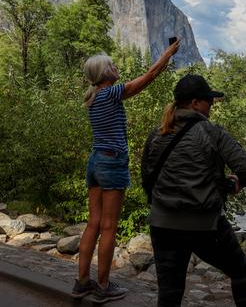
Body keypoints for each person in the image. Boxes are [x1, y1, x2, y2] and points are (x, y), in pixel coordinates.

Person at [72, 41, 181, 303]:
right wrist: (168, 53)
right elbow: (150, 76)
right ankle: (103, 285)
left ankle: (82, 282)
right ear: (103, 74)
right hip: (112, 163)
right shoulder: (110, 94)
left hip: (95, 161)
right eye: (111, 65)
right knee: (109, 227)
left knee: (93, 224)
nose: (116, 66)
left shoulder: (93, 97)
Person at [142, 74, 246, 307]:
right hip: (205, 226)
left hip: (162, 224)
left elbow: (147, 178)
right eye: (209, 101)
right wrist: (235, 183)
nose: (212, 106)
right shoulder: (211, 132)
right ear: (195, 103)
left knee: (169, 291)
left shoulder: (157, 134)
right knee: (240, 271)